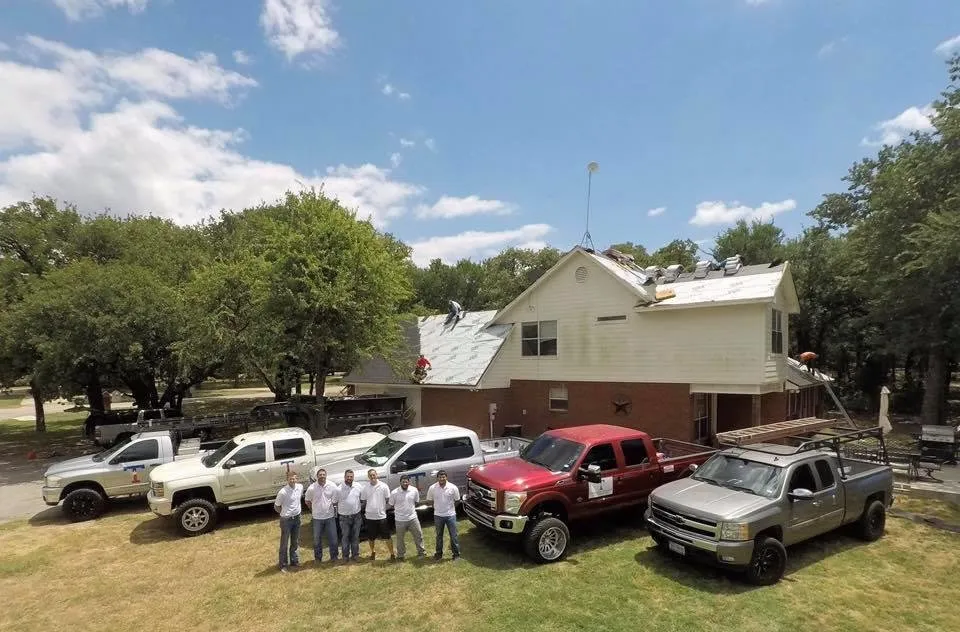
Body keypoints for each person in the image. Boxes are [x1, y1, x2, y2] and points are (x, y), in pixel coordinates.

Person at [360, 469, 395, 561]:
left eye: (373, 475)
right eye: (370, 475)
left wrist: (383, 508)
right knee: (371, 538)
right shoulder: (365, 488)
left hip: (381, 516)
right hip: (370, 517)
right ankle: (373, 552)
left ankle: (392, 554)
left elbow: (388, 499)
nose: (372, 477)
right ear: (368, 477)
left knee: (387, 537)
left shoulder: (384, 486)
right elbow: (364, 501)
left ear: (377, 475)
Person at [426, 470, 461, 561]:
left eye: (443, 477)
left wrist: (450, 508)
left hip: (451, 515)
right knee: (439, 536)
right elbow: (429, 500)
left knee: (453, 536)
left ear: (446, 477)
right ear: (437, 478)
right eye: (440, 477)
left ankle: (456, 554)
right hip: (438, 515)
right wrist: (436, 507)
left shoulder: (453, 487)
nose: (442, 479)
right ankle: (438, 554)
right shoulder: (432, 488)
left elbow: (457, 500)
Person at [305, 467, 338, 563]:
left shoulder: (332, 485)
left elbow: (335, 499)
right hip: (317, 518)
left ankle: (334, 557)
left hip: (330, 516)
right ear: (316, 477)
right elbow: (307, 501)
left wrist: (334, 510)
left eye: (323, 475)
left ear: (326, 475)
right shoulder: (311, 488)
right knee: (316, 540)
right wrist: (313, 510)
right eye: (320, 475)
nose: (322, 476)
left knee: (333, 538)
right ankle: (318, 558)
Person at [390, 474, 425, 560]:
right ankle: (401, 555)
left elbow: (416, 502)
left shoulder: (414, 490)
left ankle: (422, 553)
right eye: (403, 482)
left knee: (418, 535)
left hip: (413, 518)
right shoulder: (394, 493)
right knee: (400, 539)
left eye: (407, 482)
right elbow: (391, 505)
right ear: (400, 482)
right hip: (400, 520)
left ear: (409, 482)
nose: (405, 483)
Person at [274, 471, 303, 572]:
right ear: (287, 480)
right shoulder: (283, 492)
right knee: (284, 543)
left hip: (297, 518)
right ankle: (283, 565)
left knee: (295, 541)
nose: (292, 480)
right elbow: (276, 506)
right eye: (290, 479)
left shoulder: (300, 487)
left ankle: (294, 561)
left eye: (294, 478)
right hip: (286, 520)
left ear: (297, 479)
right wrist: (284, 513)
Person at [337, 469, 363, 562]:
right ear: (344, 477)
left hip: (357, 516)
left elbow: (361, 498)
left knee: (355, 537)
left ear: (353, 477)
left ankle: (355, 555)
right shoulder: (339, 489)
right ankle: (345, 556)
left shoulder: (358, 486)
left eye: (351, 476)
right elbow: (334, 502)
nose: (349, 478)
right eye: (347, 476)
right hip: (344, 518)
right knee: (345, 537)